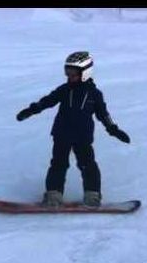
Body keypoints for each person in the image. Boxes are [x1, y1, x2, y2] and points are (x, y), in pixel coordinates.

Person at [16, 51, 130, 207]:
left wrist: (113, 129)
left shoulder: (94, 94)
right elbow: (47, 101)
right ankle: (53, 195)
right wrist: (31, 110)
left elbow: (103, 114)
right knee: (58, 164)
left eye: (73, 73)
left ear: (85, 73)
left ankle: (92, 195)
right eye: (67, 72)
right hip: (61, 134)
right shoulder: (64, 89)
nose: (69, 76)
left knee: (88, 165)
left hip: (82, 136)